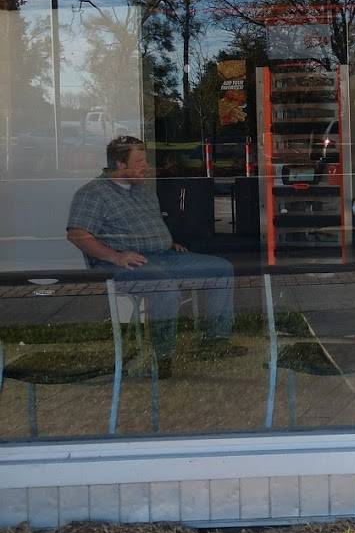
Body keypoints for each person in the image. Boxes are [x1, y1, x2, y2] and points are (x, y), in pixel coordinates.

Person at [67, 135, 239, 372]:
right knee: (164, 288)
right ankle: (162, 356)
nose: (146, 167)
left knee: (221, 269)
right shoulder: (93, 193)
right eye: (139, 162)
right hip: (121, 264)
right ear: (120, 164)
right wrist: (116, 256)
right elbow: (77, 234)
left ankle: (216, 341)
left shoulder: (144, 190)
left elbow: (147, 226)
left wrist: (169, 243)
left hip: (164, 256)